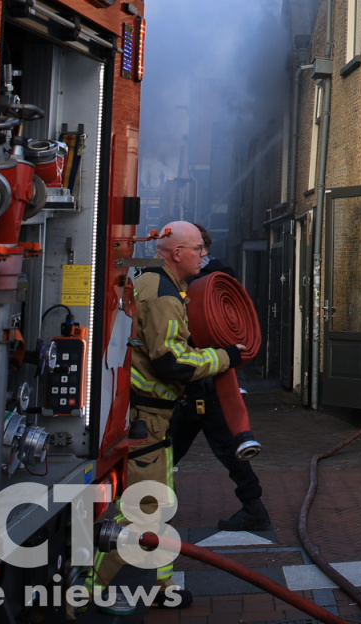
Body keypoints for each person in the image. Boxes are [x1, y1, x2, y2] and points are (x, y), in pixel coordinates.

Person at [93, 221, 251, 594]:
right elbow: (172, 361)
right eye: (197, 249)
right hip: (146, 418)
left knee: (157, 503)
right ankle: (90, 590)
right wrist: (225, 356)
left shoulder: (159, 284)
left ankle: (159, 584)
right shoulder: (163, 294)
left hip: (153, 419)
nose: (203, 255)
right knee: (144, 508)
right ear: (177, 253)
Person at [168, 224, 271, 532]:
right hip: (212, 377)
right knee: (188, 446)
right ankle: (253, 506)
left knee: (170, 449)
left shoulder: (193, 282)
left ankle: (254, 508)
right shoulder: (221, 278)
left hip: (201, 377)